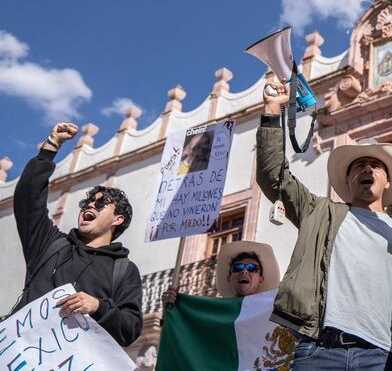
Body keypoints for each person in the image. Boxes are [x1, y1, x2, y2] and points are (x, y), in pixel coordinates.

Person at [257, 79, 392, 371]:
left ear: (388, 181)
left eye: (375, 165)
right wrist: (272, 109)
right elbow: (272, 176)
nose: (367, 168)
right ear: (348, 180)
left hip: (381, 357)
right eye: (359, 165)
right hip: (318, 351)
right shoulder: (319, 211)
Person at [11, 122, 142, 346]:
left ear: (117, 220)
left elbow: (130, 329)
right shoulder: (51, 244)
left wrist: (98, 307)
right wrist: (50, 148)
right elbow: (28, 198)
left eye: (101, 205)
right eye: (87, 202)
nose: (90, 206)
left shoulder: (124, 270)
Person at [161, 240, 281, 304]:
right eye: (238, 267)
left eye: (251, 268)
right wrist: (171, 308)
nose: (244, 271)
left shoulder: (272, 312)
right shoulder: (212, 314)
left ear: (261, 278)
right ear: (229, 278)